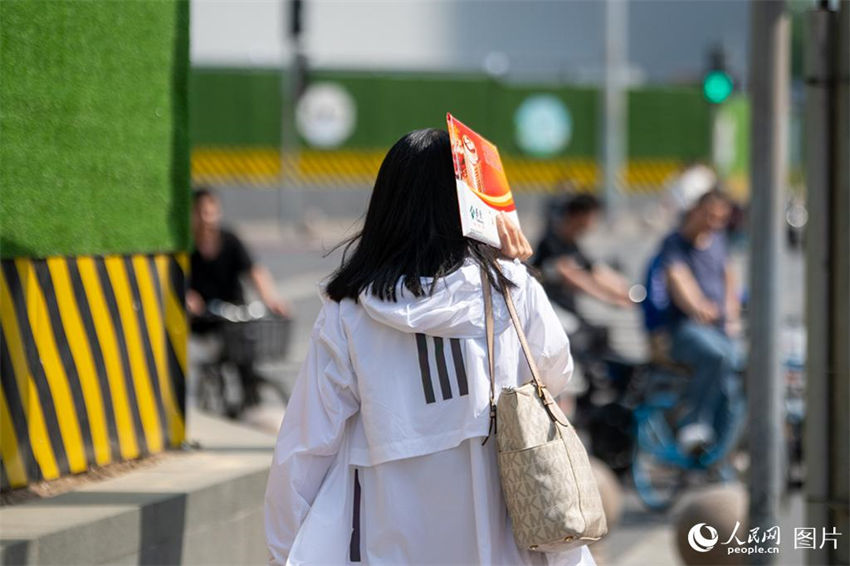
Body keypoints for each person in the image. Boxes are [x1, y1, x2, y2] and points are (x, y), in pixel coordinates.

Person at [264, 129, 595, 565]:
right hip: (501, 521)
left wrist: (283, 547)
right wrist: (514, 267)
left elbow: (307, 441)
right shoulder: (509, 289)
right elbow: (556, 372)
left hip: (391, 526)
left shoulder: (350, 309)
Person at [653, 188, 742, 457]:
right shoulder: (674, 243)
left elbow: (729, 276)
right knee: (717, 356)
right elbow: (678, 278)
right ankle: (694, 424)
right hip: (686, 329)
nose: (713, 223)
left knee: (737, 370)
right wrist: (697, 306)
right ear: (695, 211)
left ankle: (722, 448)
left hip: (719, 329)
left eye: (720, 218)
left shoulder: (718, 241)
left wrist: (731, 311)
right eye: (709, 216)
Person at [188, 187, 289, 406]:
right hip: (206, 320)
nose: (207, 218)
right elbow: (179, 281)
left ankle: (250, 398)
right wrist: (190, 299)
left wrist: (272, 299)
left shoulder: (231, 241)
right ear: (194, 215)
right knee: (217, 355)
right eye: (202, 212)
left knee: (245, 351)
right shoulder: (188, 248)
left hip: (234, 313)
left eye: (212, 211)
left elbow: (255, 271)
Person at [532, 194, 632, 355]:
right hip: (548, 313)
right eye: (591, 217)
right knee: (584, 340)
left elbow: (596, 270)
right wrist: (609, 298)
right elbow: (573, 277)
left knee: (601, 336)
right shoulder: (551, 242)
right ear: (579, 215)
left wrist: (623, 289)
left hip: (568, 312)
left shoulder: (572, 244)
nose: (593, 223)